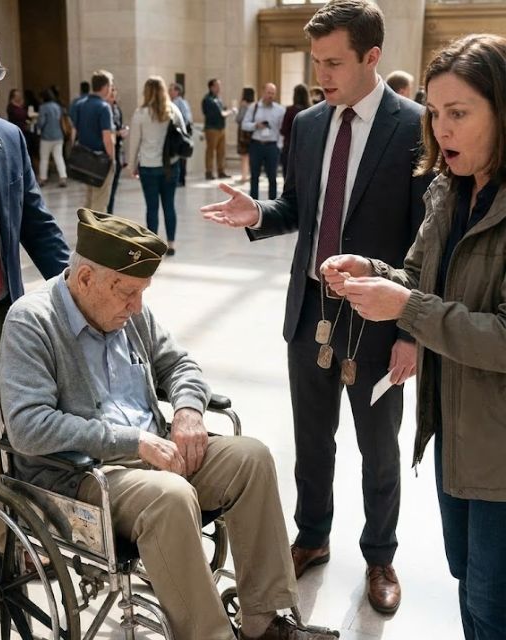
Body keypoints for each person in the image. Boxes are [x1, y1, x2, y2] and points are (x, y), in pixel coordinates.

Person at [0, 208, 339, 640]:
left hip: (155, 450)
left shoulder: (128, 312)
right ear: (85, 279)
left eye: (142, 292)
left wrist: (187, 410)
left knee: (251, 457)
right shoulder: (32, 321)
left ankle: (263, 622)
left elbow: (179, 365)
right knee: (170, 496)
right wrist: (133, 441)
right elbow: (28, 425)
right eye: (128, 293)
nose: (137, 306)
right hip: (83, 476)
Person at [201, 0, 432, 614]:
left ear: (371, 56)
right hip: (310, 312)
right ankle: (312, 536)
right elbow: (299, 208)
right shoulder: (307, 125)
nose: (320, 74)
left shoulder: (415, 126)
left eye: (333, 62)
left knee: (379, 448)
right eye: (316, 61)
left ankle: (379, 555)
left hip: (379, 315)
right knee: (311, 439)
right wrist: (259, 213)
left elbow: (424, 242)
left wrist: (411, 330)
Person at [322, 32, 506, 640]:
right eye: (434, 112)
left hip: (498, 445)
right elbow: (419, 277)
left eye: (459, 114)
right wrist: (373, 271)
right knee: (469, 582)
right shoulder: (449, 190)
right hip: (457, 430)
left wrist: (408, 309)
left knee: (492, 601)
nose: (441, 129)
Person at [0, 33, 70, 550]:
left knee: (19, 424)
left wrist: (76, 288)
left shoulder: (8, 138)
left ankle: (11, 538)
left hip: (3, 311)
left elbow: (36, 225)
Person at [128, 76, 185, 256]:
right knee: (169, 205)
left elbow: (134, 142)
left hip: (148, 166)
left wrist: (131, 165)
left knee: (151, 207)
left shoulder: (140, 113)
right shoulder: (173, 110)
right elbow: (183, 134)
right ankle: (171, 243)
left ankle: (153, 247)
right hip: (170, 165)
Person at [72, 70, 115, 211]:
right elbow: (107, 137)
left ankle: (85, 224)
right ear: (105, 87)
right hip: (100, 160)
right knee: (100, 202)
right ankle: (95, 226)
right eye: (110, 86)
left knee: (89, 199)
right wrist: (112, 159)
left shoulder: (79, 104)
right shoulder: (104, 107)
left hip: (84, 158)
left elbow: (74, 131)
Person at [241, 82, 285, 200]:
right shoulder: (253, 107)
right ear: (263, 92)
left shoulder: (280, 110)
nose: (270, 96)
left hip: (272, 146)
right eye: (268, 93)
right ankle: (254, 202)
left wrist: (279, 146)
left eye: (273, 93)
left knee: (272, 177)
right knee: (254, 176)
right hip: (256, 145)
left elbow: (281, 129)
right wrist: (256, 125)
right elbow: (244, 125)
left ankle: (272, 203)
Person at [202, 78, 233, 180]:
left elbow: (222, 110)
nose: (219, 88)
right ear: (211, 87)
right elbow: (220, 113)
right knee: (210, 151)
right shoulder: (208, 100)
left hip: (221, 128)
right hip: (212, 128)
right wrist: (231, 111)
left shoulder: (218, 99)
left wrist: (225, 110)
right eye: (217, 86)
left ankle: (221, 171)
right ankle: (209, 171)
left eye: (219, 86)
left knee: (221, 151)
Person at [37, 88, 67, 188]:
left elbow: (41, 122)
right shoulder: (57, 106)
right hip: (58, 136)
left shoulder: (43, 107)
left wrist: (37, 126)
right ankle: (63, 177)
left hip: (47, 137)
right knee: (59, 157)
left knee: (44, 158)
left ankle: (42, 179)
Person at [281, 83, 311, 179]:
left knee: (288, 177)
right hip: (307, 149)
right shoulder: (312, 111)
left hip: (290, 148)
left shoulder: (290, 110)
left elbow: (283, 130)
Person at [106, 85, 128, 214]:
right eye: (111, 91)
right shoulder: (103, 109)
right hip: (106, 153)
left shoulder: (117, 109)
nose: (113, 94)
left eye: (114, 91)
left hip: (117, 151)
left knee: (113, 188)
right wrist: (118, 133)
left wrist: (123, 131)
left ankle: (109, 213)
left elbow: (118, 126)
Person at [169, 82, 193, 187]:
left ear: (177, 91)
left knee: (181, 158)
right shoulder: (172, 102)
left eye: (171, 90)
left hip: (179, 133)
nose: (169, 92)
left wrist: (180, 129)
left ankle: (180, 179)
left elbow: (186, 118)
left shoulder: (180, 103)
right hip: (174, 134)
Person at [235, 87, 255, 183]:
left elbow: (239, 119)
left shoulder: (244, 105)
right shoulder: (255, 105)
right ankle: (250, 175)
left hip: (243, 133)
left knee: (244, 156)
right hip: (252, 132)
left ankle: (244, 176)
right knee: (251, 155)